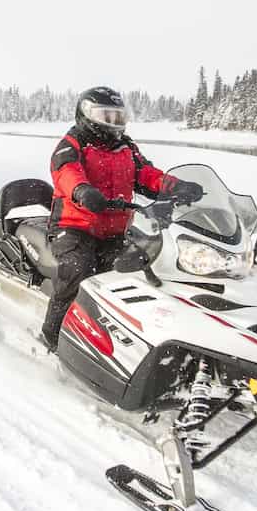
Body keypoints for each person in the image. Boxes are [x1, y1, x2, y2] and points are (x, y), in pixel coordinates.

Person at [41, 87, 203, 349]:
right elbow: (66, 173)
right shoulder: (72, 145)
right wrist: (82, 191)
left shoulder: (125, 147)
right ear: (87, 115)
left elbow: (146, 174)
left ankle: (134, 338)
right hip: (74, 227)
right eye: (107, 117)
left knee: (144, 270)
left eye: (118, 117)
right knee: (77, 271)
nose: (114, 124)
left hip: (117, 230)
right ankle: (52, 337)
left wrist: (176, 186)